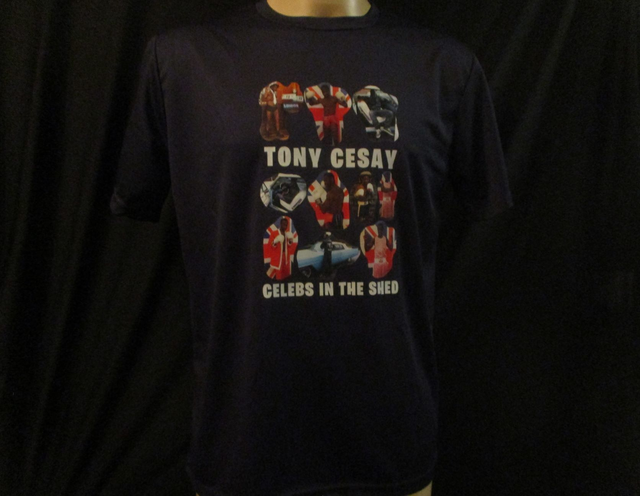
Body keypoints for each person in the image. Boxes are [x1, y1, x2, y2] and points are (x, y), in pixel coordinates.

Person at [110, 0, 512, 494]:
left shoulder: (444, 67)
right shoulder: (183, 62)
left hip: (390, 438)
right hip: (242, 441)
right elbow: (141, 192)